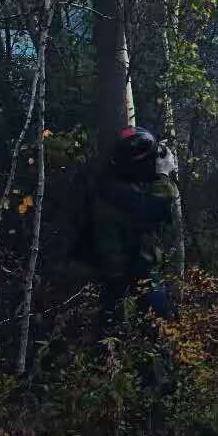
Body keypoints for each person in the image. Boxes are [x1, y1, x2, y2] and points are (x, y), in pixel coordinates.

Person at [90, 125, 180, 380]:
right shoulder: (116, 190)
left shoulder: (115, 182)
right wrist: (164, 176)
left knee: (127, 333)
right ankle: (152, 390)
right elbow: (151, 212)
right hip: (129, 273)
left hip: (124, 272)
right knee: (150, 334)